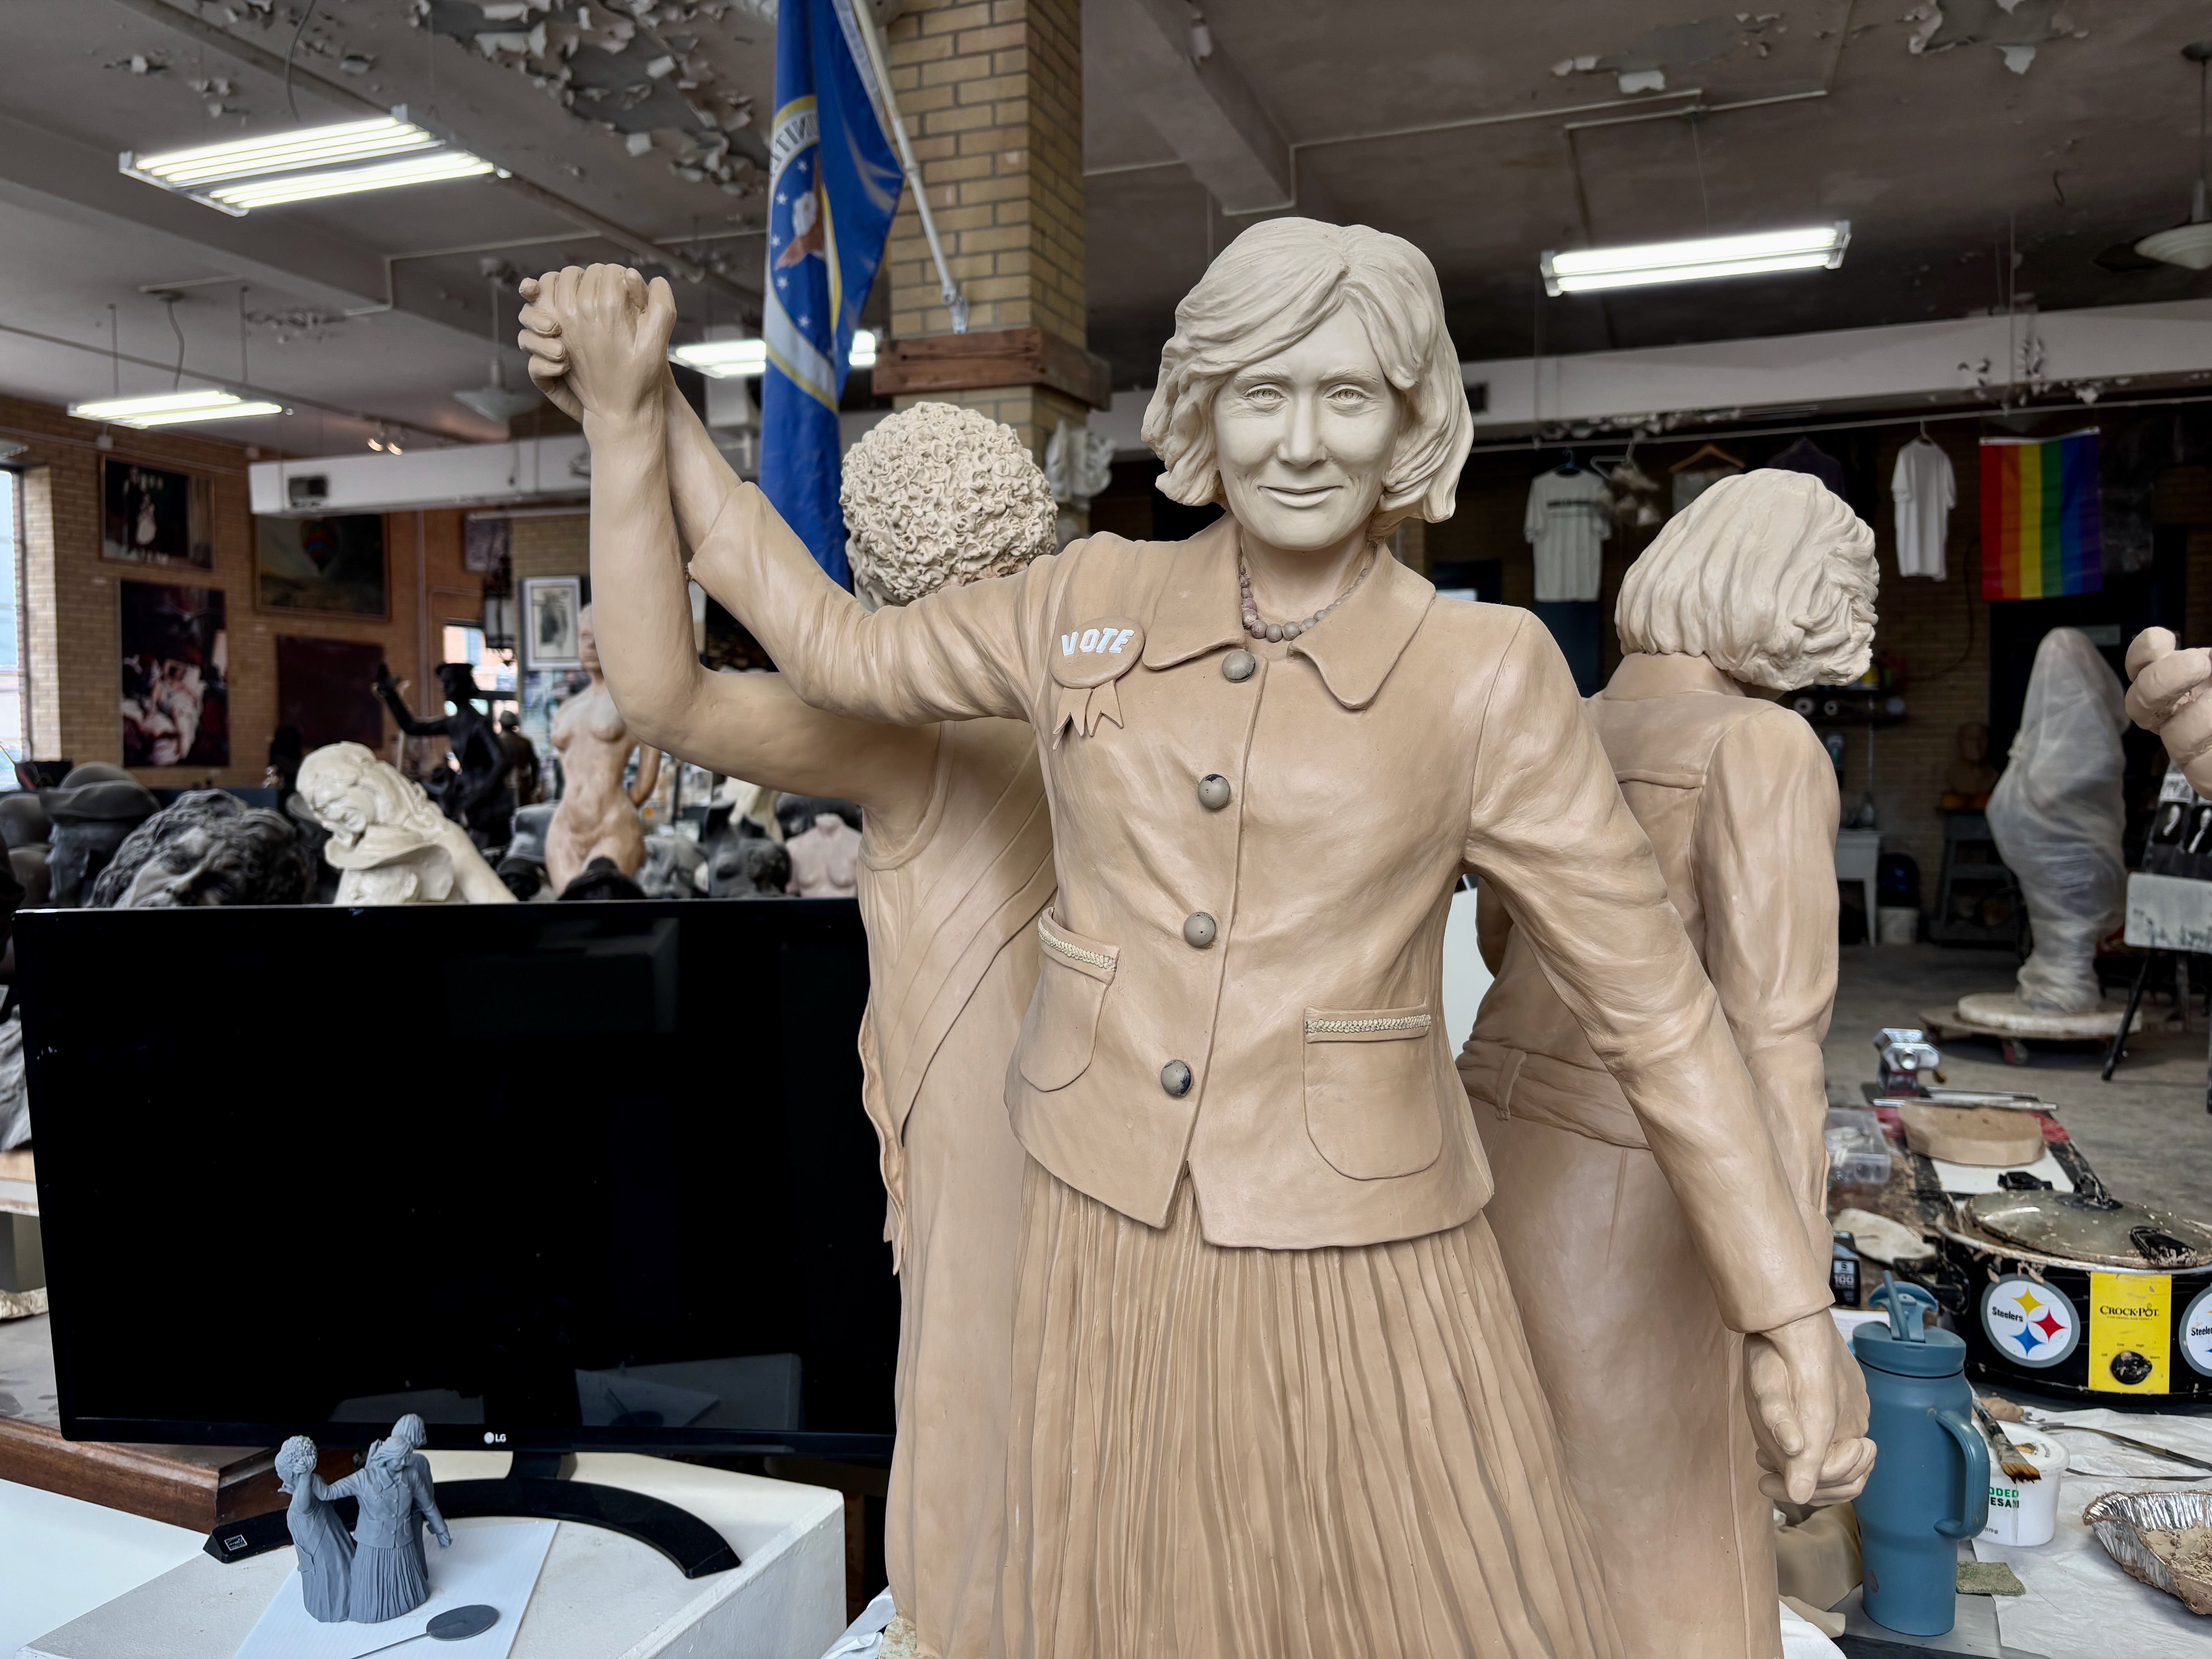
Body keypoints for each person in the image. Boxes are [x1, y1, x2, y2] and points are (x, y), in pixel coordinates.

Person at [526, 228, 1867, 1659]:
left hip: (1361, 1255)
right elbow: (818, 636)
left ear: (1411, 419)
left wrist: (1788, 1314)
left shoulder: (1488, 677)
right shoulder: (1083, 601)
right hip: (1103, 1234)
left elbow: (1662, 1013)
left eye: (1348, 398)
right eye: (1262, 392)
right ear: (1203, 405)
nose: (1300, 441)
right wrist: (637, 410)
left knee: (1408, 1613)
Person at [518, 304, 1058, 1659]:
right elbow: (732, 606)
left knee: (974, 1434)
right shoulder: (1076, 690)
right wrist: (641, 400)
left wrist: (630, 418)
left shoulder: (915, 738)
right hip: (1094, 1132)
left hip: (1003, 1157)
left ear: (878, 579)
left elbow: (660, 688)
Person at [1460, 470, 1879, 1659]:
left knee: (1501, 1507)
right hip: (1639, 1179)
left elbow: (1497, 943)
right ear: (1782, 590)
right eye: (1845, 592)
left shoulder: (1560, 720)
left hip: (1483, 1142)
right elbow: (1772, 1052)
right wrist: (1800, 1325)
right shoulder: (1761, 747)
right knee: (1665, 1540)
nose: (1853, 625)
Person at [546, 606, 661, 893]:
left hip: (613, 824)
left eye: (600, 636)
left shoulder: (633, 706)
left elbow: (647, 779)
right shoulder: (566, 710)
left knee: (606, 917)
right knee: (569, 921)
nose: (591, 645)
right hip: (564, 828)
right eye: (584, 637)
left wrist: (621, 807)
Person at [374, 663, 514, 851]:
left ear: (464, 685)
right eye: (443, 684)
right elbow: (412, 727)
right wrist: (390, 693)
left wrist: (480, 793)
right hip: (469, 800)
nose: (444, 689)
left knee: (480, 856)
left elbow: (503, 761)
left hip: (488, 805)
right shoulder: (454, 723)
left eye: (449, 683)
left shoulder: (479, 724)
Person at [326, 1413, 450, 1623]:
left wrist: (441, 1530)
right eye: (401, 1458)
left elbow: (428, 1503)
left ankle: (407, 1599)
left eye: (407, 1457)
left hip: (403, 1539)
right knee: (373, 1588)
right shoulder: (369, 1475)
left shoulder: (412, 1471)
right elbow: (331, 1492)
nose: (405, 1461)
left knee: (409, 1579)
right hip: (374, 1543)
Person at [274, 1434, 354, 1623]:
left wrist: (305, 1478)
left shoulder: (309, 1483)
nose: (279, 1476)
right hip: (313, 1541)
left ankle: (338, 1607)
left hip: (323, 1544)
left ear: (294, 1471)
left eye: (281, 1472)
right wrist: (295, 1485)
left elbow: (304, 1506)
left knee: (332, 1575)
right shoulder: (303, 1484)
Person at [498, 710, 541, 807]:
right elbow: (535, 765)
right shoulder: (525, 742)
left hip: (503, 786)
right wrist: (534, 783)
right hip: (523, 783)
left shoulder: (497, 742)